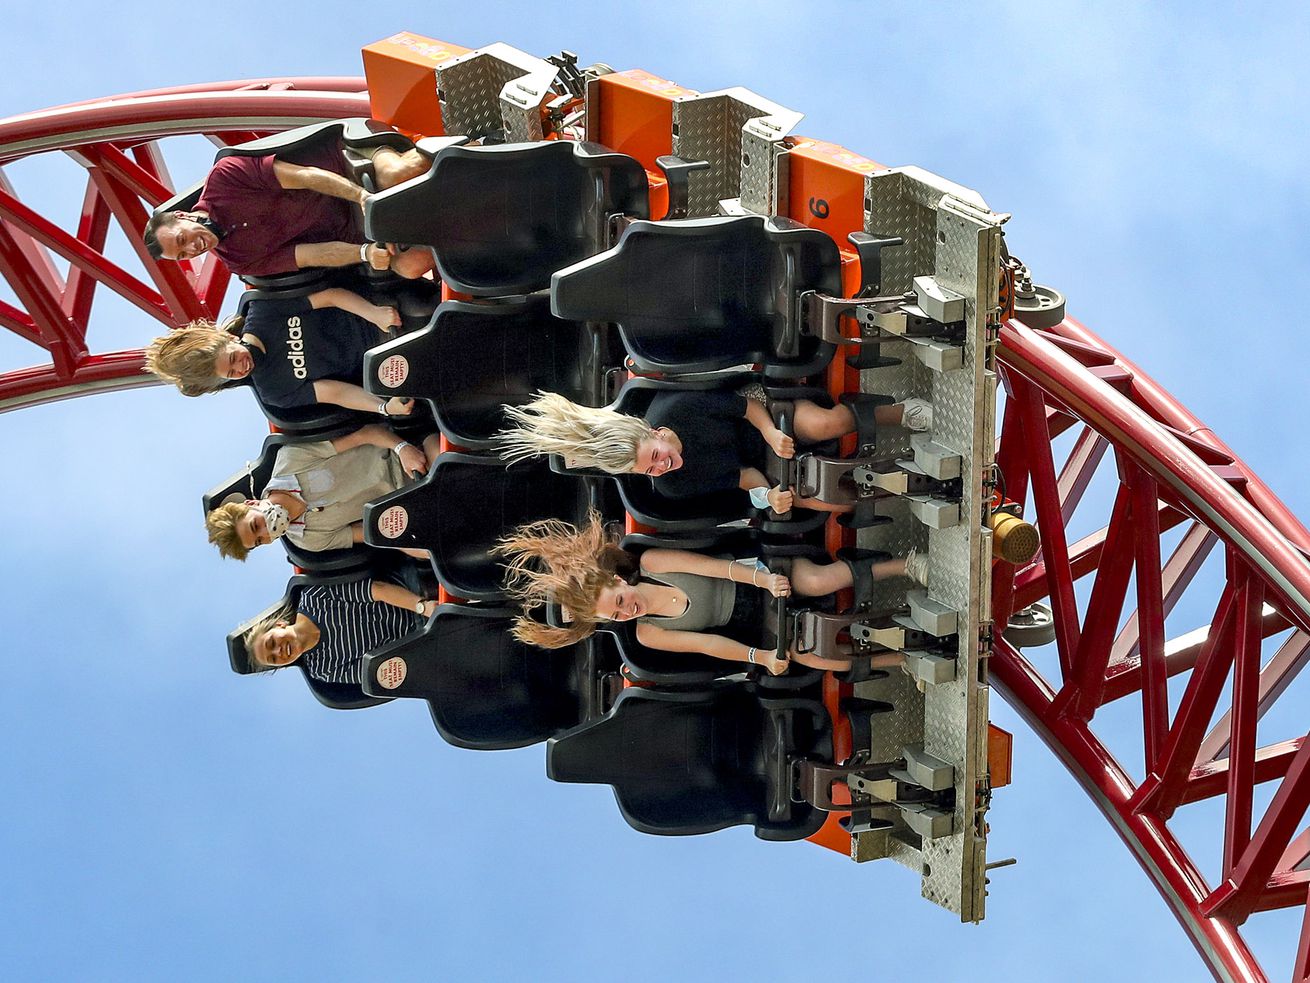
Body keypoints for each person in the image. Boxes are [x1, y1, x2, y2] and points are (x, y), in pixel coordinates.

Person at [498, 513, 926, 675]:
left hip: (750, 574)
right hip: (750, 623)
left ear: (618, 582)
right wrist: (760, 658)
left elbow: (714, 566)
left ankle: (904, 565)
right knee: (814, 655)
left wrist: (764, 582)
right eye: (615, 618)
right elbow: (706, 644)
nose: (626, 613)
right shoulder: (648, 635)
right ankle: (904, 657)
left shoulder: (652, 565)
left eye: (619, 603)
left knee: (814, 582)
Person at [497, 388, 933, 514]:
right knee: (821, 499)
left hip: (761, 418)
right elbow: (743, 480)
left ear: (658, 432)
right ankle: (907, 479)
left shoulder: (677, 407)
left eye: (655, 456)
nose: (662, 468)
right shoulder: (673, 487)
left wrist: (769, 435)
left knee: (824, 424)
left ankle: (903, 411)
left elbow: (746, 407)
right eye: (650, 472)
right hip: (759, 462)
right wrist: (769, 497)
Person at [143, 138, 434, 278]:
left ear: (182, 216)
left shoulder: (224, 179)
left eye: (183, 239)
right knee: (410, 267)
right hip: (356, 226)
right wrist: (365, 253)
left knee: (398, 175)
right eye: (183, 254)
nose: (192, 248)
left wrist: (360, 196)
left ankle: (471, 146)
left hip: (348, 166)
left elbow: (304, 176)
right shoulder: (239, 261)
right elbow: (310, 255)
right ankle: (470, 234)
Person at [145, 286, 412, 415]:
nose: (241, 367)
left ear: (228, 338)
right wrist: (385, 408)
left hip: (376, 314)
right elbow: (337, 393)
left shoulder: (263, 313)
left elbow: (330, 296)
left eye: (233, 358)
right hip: (383, 362)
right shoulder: (274, 392)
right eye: (232, 372)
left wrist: (374, 314)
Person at [205, 424, 440, 560]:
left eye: (256, 525)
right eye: (259, 541)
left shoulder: (291, 460)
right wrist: (425, 550)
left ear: (250, 504)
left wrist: (402, 448)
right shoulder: (309, 541)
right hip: (412, 505)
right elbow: (375, 533)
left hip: (410, 456)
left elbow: (363, 435)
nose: (267, 532)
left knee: (446, 463)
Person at [243, 577, 436, 685]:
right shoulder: (323, 670)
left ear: (279, 625)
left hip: (413, 593)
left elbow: (378, 589)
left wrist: (423, 608)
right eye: (274, 659)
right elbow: (380, 669)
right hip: (421, 641)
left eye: (272, 643)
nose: (278, 651)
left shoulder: (314, 598)